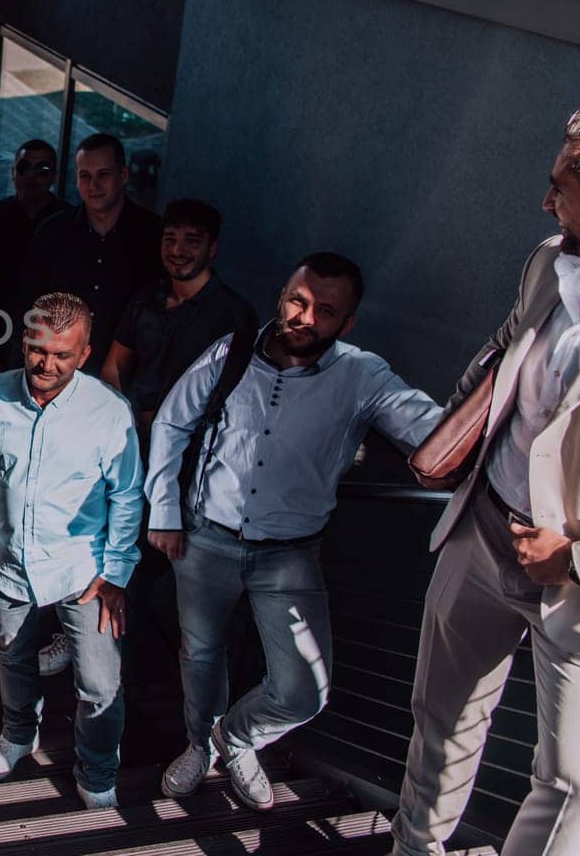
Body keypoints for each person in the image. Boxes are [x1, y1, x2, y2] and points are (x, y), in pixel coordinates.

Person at [389, 105, 580, 856]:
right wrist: (459, 419)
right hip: (483, 533)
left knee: (579, 789)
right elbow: (506, 340)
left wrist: (578, 558)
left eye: (558, 189)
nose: (544, 202)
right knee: (440, 725)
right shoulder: (547, 260)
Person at [145, 253, 441, 812]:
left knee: (304, 690)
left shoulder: (362, 375)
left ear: (346, 323)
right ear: (282, 294)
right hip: (206, 538)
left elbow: (431, 428)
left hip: (289, 555)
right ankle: (196, 744)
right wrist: (163, 510)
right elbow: (171, 422)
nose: (305, 317)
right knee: (200, 655)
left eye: (325, 311)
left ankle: (233, 739)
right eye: (298, 301)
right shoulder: (229, 354)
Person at [0, 292, 143, 808]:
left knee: (100, 683)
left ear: (84, 354)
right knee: (13, 657)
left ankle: (98, 772)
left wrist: (119, 573)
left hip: (86, 573)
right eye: (37, 349)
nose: (46, 364)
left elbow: (126, 496)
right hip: (10, 562)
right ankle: (18, 735)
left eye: (62, 354)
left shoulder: (110, 412)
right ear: (23, 341)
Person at [103, 199, 255, 438]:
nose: (177, 251)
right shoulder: (144, 299)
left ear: (212, 248)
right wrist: (121, 419)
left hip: (190, 447)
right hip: (129, 436)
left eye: (192, 241)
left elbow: (237, 399)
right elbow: (114, 366)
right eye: (170, 239)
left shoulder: (233, 314)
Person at [25, 133, 162, 376]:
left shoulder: (153, 235)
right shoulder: (52, 231)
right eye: (84, 176)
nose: (93, 185)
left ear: (124, 175)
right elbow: (29, 303)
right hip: (59, 371)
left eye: (103, 175)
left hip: (128, 375)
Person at [0, 140, 66, 368]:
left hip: (50, 332)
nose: (32, 176)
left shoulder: (69, 222)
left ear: (54, 176)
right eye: (23, 168)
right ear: (13, 173)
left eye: (42, 170)